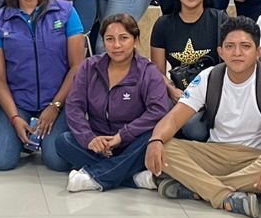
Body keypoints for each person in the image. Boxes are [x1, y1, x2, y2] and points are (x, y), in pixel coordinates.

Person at [145, 16, 261, 218]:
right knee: (164, 147)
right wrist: (155, 140)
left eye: (245, 46)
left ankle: (197, 187)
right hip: (215, 153)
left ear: (258, 52)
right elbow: (174, 119)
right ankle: (224, 195)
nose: (237, 53)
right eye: (230, 46)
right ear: (220, 52)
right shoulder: (208, 77)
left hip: (256, 156)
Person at [0, 0, 87, 172]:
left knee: (57, 161)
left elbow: (77, 66)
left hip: (58, 100)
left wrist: (55, 106)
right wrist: (14, 117)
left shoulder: (67, 12)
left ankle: (42, 137)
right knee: (0, 161)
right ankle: (26, 135)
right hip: (18, 101)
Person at [53, 13, 172, 192]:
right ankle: (133, 178)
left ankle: (95, 177)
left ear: (135, 40)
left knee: (151, 138)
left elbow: (158, 110)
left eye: (123, 38)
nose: (116, 45)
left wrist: (123, 135)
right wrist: (89, 139)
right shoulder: (89, 67)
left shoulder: (148, 72)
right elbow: (74, 106)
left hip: (132, 142)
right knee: (63, 141)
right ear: (103, 41)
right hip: (99, 143)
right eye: (110, 39)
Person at [151, 0, 226, 104]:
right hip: (178, 95)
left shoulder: (220, 20)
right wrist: (171, 89)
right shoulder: (162, 25)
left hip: (215, 95)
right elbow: (157, 72)